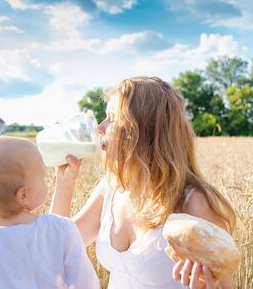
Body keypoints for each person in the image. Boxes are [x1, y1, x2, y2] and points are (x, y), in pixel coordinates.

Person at [51, 77, 237, 289]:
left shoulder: (195, 202)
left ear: (143, 130)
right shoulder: (112, 186)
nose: (100, 128)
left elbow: (223, 282)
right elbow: (59, 249)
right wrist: (64, 182)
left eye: (112, 118)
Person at [0, 135, 99, 289]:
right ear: (23, 195)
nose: (46, 182)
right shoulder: (62, 229)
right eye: (43, 177)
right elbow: (86, 283)